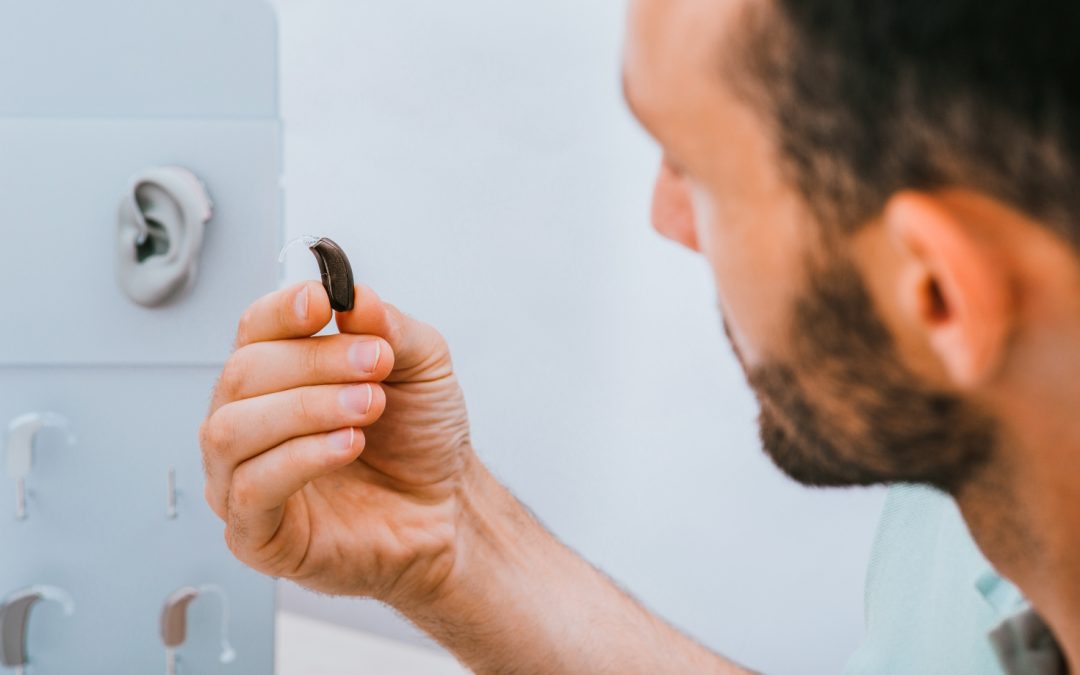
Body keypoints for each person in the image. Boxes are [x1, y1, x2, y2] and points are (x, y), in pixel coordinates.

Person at [198, 0, 1080, 672]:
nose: (668, 217)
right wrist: (454, 540)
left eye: (695, 169)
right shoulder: (975, 454)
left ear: (936, 295)